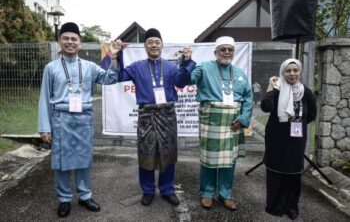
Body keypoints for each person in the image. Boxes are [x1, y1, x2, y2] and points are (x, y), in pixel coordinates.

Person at [38, 22, 121, 218]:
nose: (70, 42)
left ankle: (85, 196)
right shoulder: (51, 68)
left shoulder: (90, 67)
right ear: (60, 42)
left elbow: (110, 79)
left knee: (85, 161)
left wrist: (114, 58)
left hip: (84, 119)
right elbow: (44, 98)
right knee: (61, 163)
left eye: (74, 39)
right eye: (65, 38)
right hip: (60, 119)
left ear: (80, 43)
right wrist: (44, 127)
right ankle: (65, 199)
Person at [114, 28, 196, 206]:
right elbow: (119, 76)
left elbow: (183, 82)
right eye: (150, 42)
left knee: (168, 153)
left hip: (167, 114)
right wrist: (117, 55)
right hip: (146, 115)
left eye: (157, 42)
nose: (154, 45)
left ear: (161, 45)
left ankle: (167, 189)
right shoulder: (136, 67)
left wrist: (187, 62)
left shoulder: (171, 66)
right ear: (145, 46)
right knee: (146, 153)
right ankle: (148, 190)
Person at [190, 36, 253, 210]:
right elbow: (190, 78)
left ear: (233, 52)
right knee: (209, 159)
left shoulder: (240, 73)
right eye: (223, 49)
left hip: (234, 122)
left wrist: (244, 118)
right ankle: (207, 193)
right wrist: (186, 62)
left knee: (229, 161)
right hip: (212, 120)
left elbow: (248, 97)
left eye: (230, 49)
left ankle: (225, 194)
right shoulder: (204, 67)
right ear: (215, 52)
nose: (226, 52)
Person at [260, 58, 317, 220]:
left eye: (295, 70)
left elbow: (312, 114)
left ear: (300, 72)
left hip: (296, 139)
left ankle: (291, 207)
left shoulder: (305, 91)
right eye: (288, 70)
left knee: (293, 173)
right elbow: (266, 107)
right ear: (282, 73)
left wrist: (296, 123)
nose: (292, 74)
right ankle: (274, 205)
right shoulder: (277, 90)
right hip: (276, 138)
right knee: (275, 171)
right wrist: (270, 87)